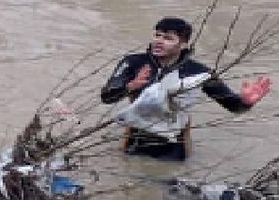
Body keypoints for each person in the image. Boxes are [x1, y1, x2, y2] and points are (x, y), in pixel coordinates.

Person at [100, 17, 272, 160]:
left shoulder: (199, 72)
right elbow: (106, 97)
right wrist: (131, 86)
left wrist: (246, 102)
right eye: (157, 35)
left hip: (175, 143)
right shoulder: (134, 62)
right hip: (134, 137)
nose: (158, 41)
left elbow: (233, 106)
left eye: (167, 38)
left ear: (183, 44)